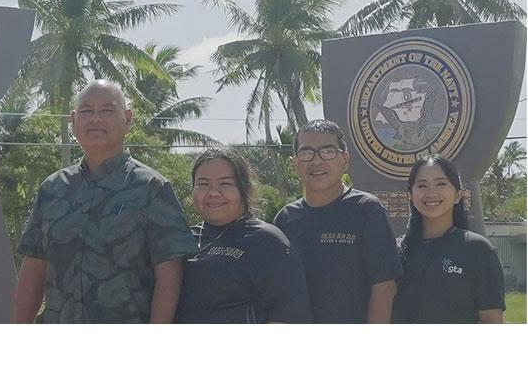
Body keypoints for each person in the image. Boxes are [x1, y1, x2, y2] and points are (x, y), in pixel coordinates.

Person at [14, 80, 197, 323]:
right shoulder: (52, 189)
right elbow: (34, 269)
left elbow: (170, 276)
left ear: (128, 119)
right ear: (73, 120)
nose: (95, 118)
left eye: (107, 110)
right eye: (86, 110)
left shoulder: (152, 189)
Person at [273, 119, 402, 323]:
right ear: (295, 162)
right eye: (307, 152)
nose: (316, 162)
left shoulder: (367, 210)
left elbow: (385, 288)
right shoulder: (286, 218)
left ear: (345, 159)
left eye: (328, 151)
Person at [175, 148, 311, 323]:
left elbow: (290, 317)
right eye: (203, 184)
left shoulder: (267, 242)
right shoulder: (182, 240)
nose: (213, 193)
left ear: (244, 189)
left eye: (225, 184)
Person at [392, 155, 505, 323]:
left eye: (441, 184)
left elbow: (492, 320)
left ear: (458, 195)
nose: (431, 193)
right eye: (422, 185)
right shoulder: (397, 250)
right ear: (411, 195)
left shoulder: (477, 249)